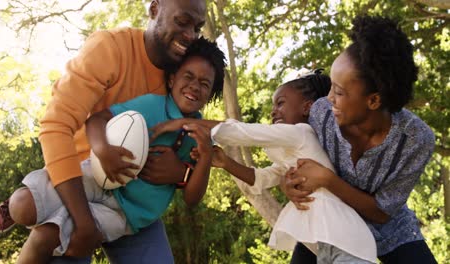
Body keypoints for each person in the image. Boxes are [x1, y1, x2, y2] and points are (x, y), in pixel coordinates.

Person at [0, 0, 208, 262]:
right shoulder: (110, 48)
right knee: (34, 219)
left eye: (198, 27)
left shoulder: (184, 77)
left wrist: (181, 173)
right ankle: (35, 205)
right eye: (182, 22)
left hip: (131, 206)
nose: (190, 35)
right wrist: (84, 223)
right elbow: (56, 125)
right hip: (79, 184)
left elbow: (202, 141)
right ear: (155, 8)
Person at [151, 70, 377, 263]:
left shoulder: (302, 134)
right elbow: (262, 178)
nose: (273, 111)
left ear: (307, 107)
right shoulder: (295, 154)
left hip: (346, 239)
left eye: (280, 103)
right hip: (325, 243)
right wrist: (226, 163)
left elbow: (241, 132)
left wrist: (182, 122)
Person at [282, 16, 437, 264]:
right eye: (331, 87)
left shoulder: (417, 140)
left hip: (389, 234)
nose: (329, 97)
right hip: (330, 226)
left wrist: (328, 179)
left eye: (339, 92)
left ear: (374, 101)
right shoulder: (321, 114)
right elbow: (295, 163)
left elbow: (382, 213)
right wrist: (288, 184)